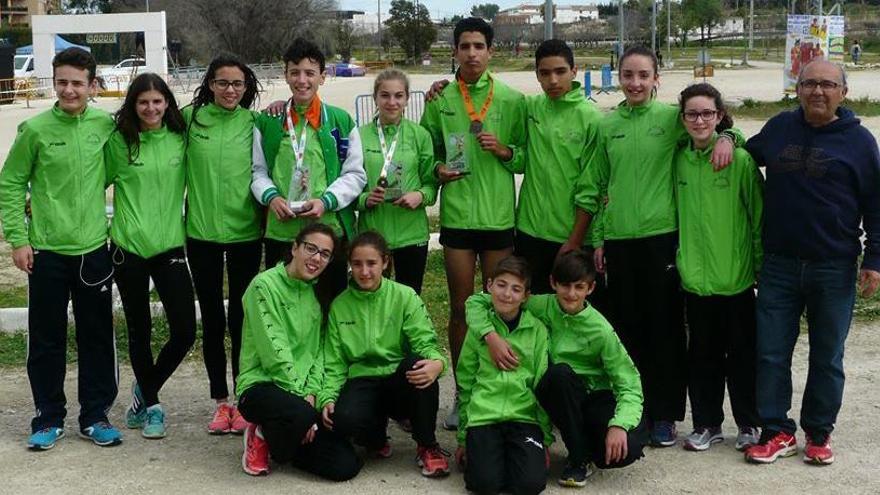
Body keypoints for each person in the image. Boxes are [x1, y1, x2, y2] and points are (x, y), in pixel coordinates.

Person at [578, 45, 739, 447]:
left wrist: (730, 138)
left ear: (656, 79)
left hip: (661, 239)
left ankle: (666, 414)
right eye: (627, 75)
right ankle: (636, 411)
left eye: (643, 75)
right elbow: (597, 185)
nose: (634, 83)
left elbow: (719, 125)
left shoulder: (671, 119)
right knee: (627, 329)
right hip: (618, 241)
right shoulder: (607, 125)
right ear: (618, 77)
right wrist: (597, 238)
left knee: (665, 330)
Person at [743, 60, 880, 466]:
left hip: (833, 266)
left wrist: (874, 258)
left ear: (843, 92)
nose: (817, 91)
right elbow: (746, 155)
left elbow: (875, 205)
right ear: (796, 89)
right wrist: (725, 140)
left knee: (827, 354)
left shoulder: (859, 142)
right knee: (770, 352)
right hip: (779, 265)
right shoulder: (780, 128)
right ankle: (776, 431)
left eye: (827, 84)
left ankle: (818, 432)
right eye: (809, 84)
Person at [0, 47, 121, 450]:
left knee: (98, 337)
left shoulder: (105, 125)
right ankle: (48, 417)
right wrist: (18, 239)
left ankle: (95, 416)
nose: (69, 90)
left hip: (93, 251)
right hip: (46, 253)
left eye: (77, 83)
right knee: (47, 339)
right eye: (62, 82)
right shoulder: (34, 130)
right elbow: (11, 183)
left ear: (92, 85)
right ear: (54, 82)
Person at [420, 16, 527, 430]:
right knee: (463, 308)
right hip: (460, 218)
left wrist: (504, 151)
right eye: (464, 46)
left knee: (503, 307)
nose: (471, 53)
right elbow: (427, 155)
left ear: (490, 50)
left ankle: (500, 390)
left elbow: (524, 157)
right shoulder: (441, 98)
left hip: (499, 218)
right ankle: (463, 397)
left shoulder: (513, 100)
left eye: (478, 46)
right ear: (455, 51)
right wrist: (439, 170)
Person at [466, 250, 646, 488]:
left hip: (593, 397)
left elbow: (629, 383)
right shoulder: (541, 305)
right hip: (558, 391)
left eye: (579, 287)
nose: (571, 294)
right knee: (559, 375)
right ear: (553, 283)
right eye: (565, 285)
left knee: (628, 447)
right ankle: (578, 459)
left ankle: (588, 449)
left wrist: (618, 424)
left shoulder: (601, 330)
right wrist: (490, 336)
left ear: (590, 289)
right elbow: (477, 301)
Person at [106, 73, 196, 439]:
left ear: (168, 104)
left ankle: (144, 389)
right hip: (128, 248)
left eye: (158, 101)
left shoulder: (180, 138)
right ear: (133, 105)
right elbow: (92, 182)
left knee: (186, 332)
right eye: (143, 102)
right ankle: (155, 407)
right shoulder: (119, 142)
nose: (151, 108)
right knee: (140, 331)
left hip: (170, 246)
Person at [674, 83, 763, 453]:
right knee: (702, 357)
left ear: (720, 116)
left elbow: (757, 217)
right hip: (695, 281)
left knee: (742, 357)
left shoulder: (739, 160)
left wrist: (759, 266)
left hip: (736, 278)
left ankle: (748, 423)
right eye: (692, 114)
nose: (699, 120)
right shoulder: (678, 158)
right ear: (682, 119)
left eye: (707, 114)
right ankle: (707, 423)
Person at [319, 231, 450, 478]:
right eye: (357, 264)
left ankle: (427, 445)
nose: (364, 271)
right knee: (342, 420)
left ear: (385, 262)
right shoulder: (340, 305)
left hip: (396, 378)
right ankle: (375, 437)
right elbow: (334, 361)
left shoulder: (404, 296)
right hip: (362, 380)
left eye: (371, 263)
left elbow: (425, 341)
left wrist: (438, 363)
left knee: (420, 365)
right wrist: (328, 397)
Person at [236, 223, 361, 480]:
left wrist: (313, 394)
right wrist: (303, 406)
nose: (316, 258)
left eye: (324, 254)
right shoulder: (264, 286)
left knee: (345, 465)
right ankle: (258, 433)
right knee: (301, 416)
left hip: (303, 396)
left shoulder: (319, 294)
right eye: (310, 248)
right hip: (261, 386)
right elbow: (275, 354)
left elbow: (318, 354)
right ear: (294, 248)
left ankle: (276, 439)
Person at [252, 37, 365, 313]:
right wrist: (272, 197)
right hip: (282, 233)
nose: (302, 80)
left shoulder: (340, 121)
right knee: (284, 310)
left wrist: (326, 201)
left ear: (323, 77)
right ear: (286, 75)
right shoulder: (268, 121)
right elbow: (258, 171)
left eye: (310, 73)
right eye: (295, 72)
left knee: (329, 309)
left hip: (328, 232)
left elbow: (355, 174)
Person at [184, 55, 263, 435]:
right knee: (214, 320)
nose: (230, 90)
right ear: (210, 84)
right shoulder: (190, 120)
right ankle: (221, 401)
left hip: (247, 233)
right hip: (201, 236)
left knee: (243, 320)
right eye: (222, 83)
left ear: (247, 87)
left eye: (237, 84)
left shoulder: (256, 123)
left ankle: (245, 399)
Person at [514, 39, 605, 303]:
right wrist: (446, 86)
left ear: (574, 71)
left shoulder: (591, 119)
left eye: (560, 71)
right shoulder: (531, 108)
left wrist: (575, 240)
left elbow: (591, 187)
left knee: (570, 310)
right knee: (531, 310)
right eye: (545, 73)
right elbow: (496, 99)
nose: (553, 80)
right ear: (537, 76)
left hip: (569, 236)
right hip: (529, 231)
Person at [457, 256, 551, 495]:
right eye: (501, 285)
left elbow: (541, 382)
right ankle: (490, 457)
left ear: (525, 296)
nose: (507, 294)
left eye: (516, 289)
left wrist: (545, 439)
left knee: (531, 485)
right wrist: (463, 436)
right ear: (489, 286)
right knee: (484, 485)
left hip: (523, 418)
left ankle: (515, 456)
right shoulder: (479, 329)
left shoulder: (537, 331)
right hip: (484, 417)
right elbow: (466, 381)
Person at [353, 69, 437, 294]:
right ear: (375, 98)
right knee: (369, 302)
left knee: (409, 300)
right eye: (385, 95)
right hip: (372, 235)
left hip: (412, 234)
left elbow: (431, 183)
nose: (392, 102)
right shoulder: (359, 136)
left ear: (407, 99)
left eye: (398, 96)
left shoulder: (420, 136)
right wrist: (365, 199)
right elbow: (350, 186)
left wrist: (419, 196)